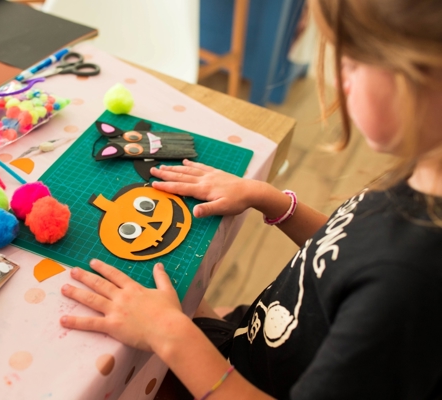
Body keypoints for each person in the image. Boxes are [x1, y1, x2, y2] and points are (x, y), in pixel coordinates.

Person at [59, 0, 442, 398]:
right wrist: (271, 200)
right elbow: (346, 253)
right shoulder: (422, 180)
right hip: (250, 348)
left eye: (354, 62)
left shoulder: (410, 287)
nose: (338, 79)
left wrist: (173, 336)